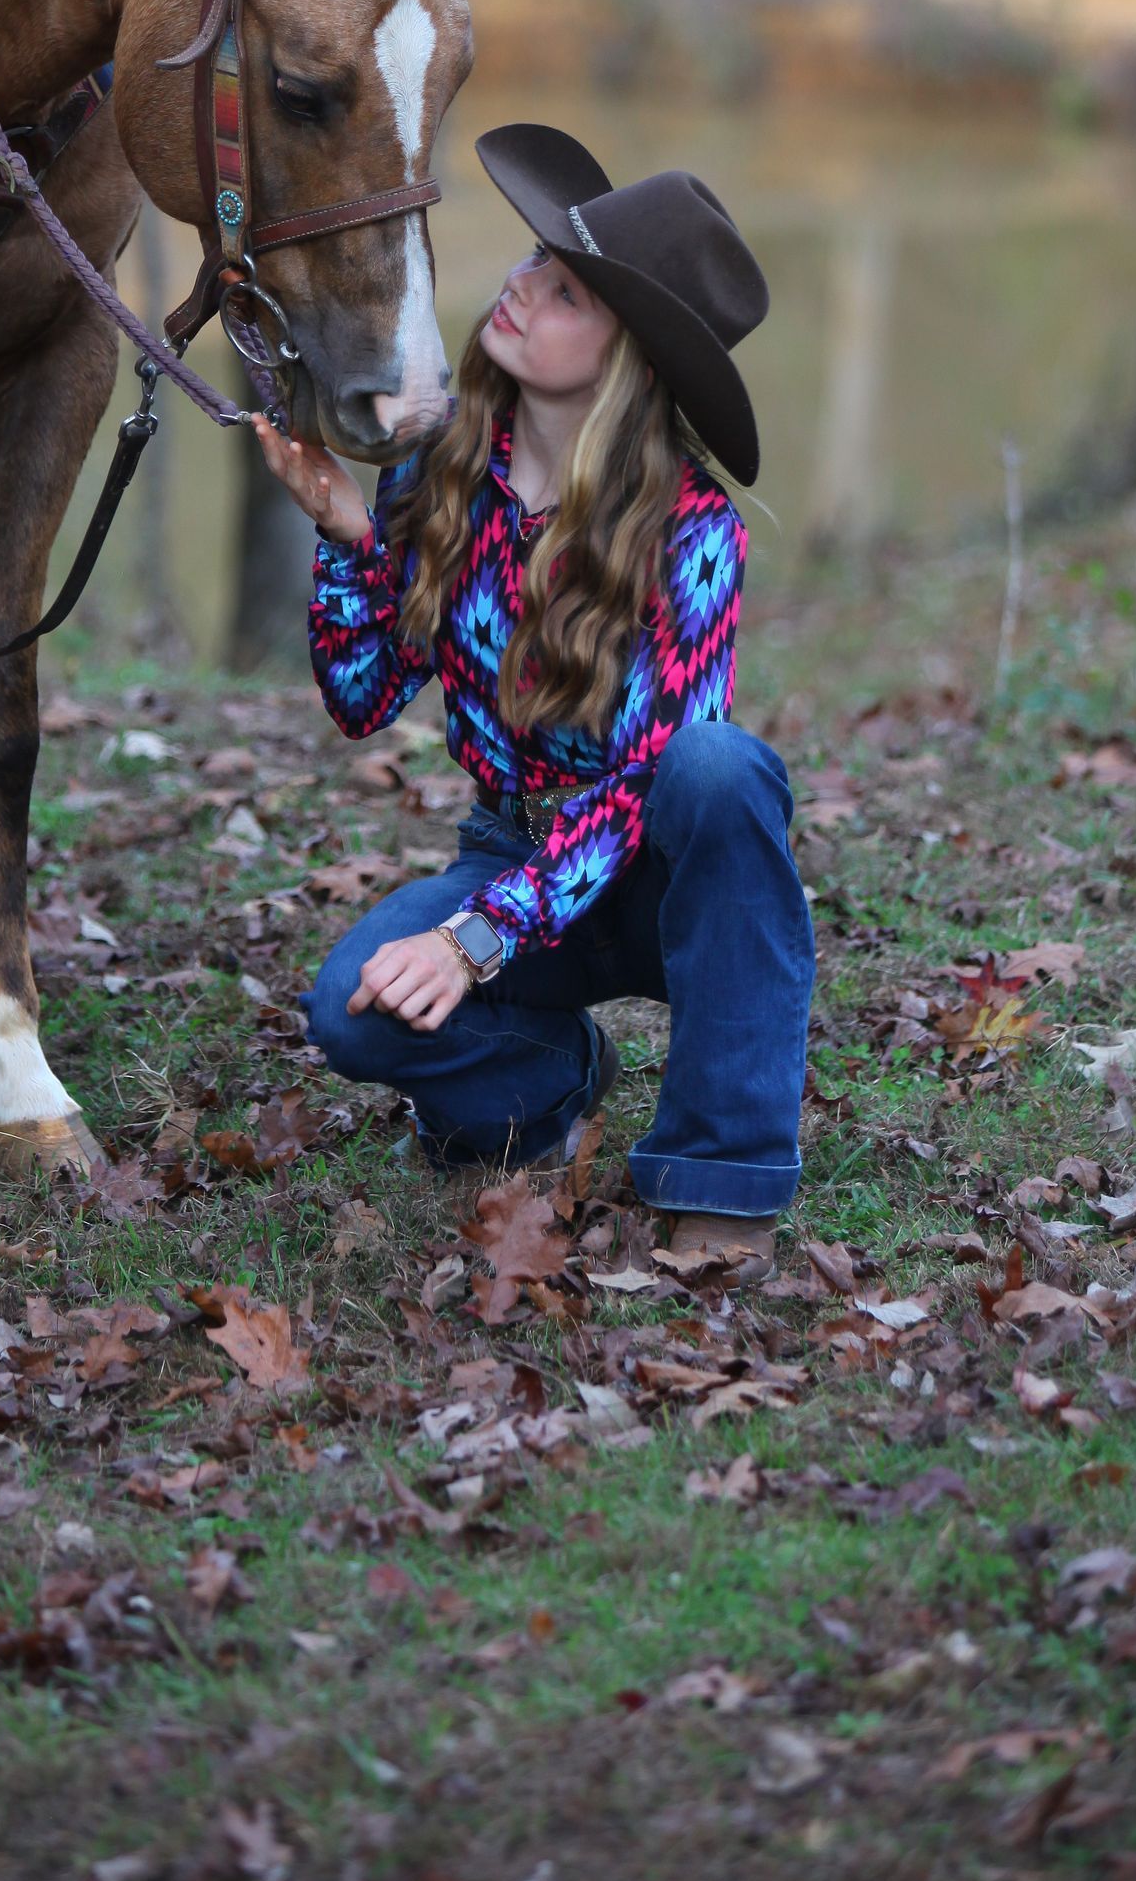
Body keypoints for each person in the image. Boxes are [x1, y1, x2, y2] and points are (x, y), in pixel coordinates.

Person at [253, 124, 814, 1279]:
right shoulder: (439, 468)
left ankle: (724, 1173)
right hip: (511, 847)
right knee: (347, 1015)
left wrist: (474, 939)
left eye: (564, 293)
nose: (517, 289)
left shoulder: (694, 534)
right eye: (529, 264)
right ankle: (555, 1082)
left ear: (629, 361)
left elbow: (642, 780)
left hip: (665, 879)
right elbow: (362, 699)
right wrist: (349, 535)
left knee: (720, 769)